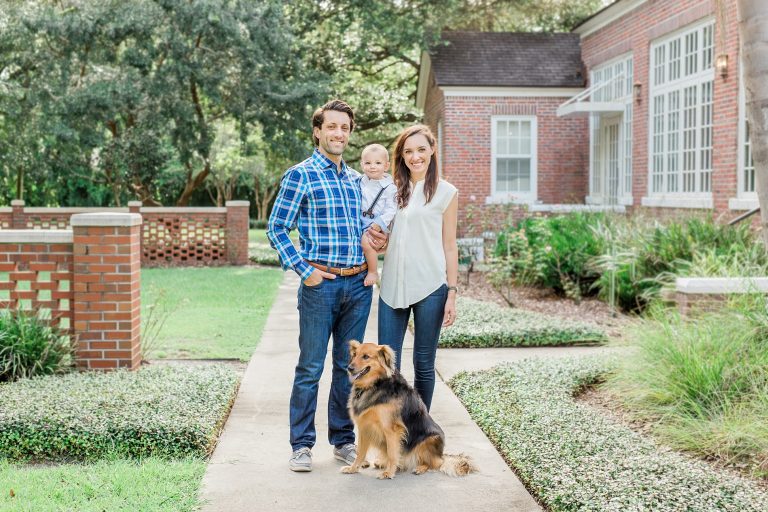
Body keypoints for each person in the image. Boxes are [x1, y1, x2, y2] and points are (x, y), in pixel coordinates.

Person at [267, 99, 387, 472]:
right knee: (310, 367)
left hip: (357, 287)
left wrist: (376, 240)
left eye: (345, 128)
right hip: (320, 286)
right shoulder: (300, 175)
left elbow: (364, 229)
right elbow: (276, 228)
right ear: (317, 131)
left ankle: (343, 440)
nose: (339, 133)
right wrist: (305, 271)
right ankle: (301, 445)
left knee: (347, 369)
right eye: (332, 127)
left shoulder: (357, 180)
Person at [378, 124, 459, 411]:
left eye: (421, 150)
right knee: (387, 365)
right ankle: (393, 431)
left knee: (423, 363)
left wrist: (451, 292)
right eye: (408, 151)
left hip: (430, 288)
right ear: (401, 156)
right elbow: (388, 239)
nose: (415, 157)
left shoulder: (446, 193)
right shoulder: (391, 190)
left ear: (432, 150)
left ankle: (419, 429)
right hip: (392, 288)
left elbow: (450, 245)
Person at [359, 143, 397, 286]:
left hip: (376, 223)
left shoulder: (390, 187)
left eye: (378, 163)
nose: (372, 166)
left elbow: (391, 210)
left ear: (386, 166)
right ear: (362, 164)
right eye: (368, 163)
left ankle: (373, 271)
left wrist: (379, 224)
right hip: (361, 219)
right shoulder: (360, 181)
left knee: (366, 241)